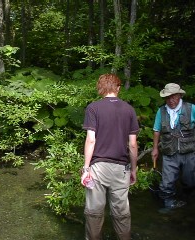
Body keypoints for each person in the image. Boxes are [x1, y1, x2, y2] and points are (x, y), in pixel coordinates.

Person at [81, 73, 139, 240]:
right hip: (121, 169)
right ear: (118, 88)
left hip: (98, 167)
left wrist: (86, 169)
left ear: (101, 88)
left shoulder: (93, 108)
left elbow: (91, 140)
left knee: (94, 212)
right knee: (121, 213)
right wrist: (133, 170)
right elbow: (133, 144)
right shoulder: (129, 109)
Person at [151, 83, 195, 209]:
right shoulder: (161, 111)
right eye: (168, 97)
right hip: (169, 152)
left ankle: (187, 200)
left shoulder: (191, 108)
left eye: (173, 97)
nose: (170, 100)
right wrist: (155, 148)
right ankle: (168, 205)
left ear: (180, 95)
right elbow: (156, 130)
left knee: (190, 181)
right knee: (166, 183)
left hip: (189, 152)